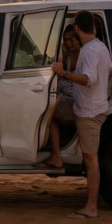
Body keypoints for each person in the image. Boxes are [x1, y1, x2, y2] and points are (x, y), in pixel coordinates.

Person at [49, 10, 112, 219]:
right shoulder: (100, 47)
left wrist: (64, 73)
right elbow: (108, 70)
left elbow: (88, 79)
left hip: (90, 112)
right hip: (84, 105)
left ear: (77, 28)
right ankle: (55, 157)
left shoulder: (90, 51)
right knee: (49, 111)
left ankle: (91, 208)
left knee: (90, 159)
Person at [34, 24, 82, 170]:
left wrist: (63, 74)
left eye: (71, 40)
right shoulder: (66, 54)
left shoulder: (84, 55)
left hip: (75, 99)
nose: (68, 43)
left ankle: (56, 155)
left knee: (48, 112)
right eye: (65, 40)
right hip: (63, 96)